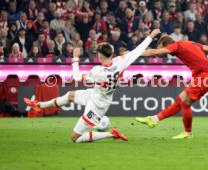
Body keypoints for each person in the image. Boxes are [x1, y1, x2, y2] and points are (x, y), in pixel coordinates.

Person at [24, 29, 161, 143]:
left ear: (100, 56)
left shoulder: (98, 71)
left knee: (75, 138)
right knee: (70, 95)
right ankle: (39, 105)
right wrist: (151, 36)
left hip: (97, 106)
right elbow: (138, 50)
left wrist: (75, 58)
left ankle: (112, 134)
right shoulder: (120, 62)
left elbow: (77, 78)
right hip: (95, 94)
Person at [136, 35, 208, 139]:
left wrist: (133, 54)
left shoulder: (176, 45)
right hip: (201, 77)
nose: (161, 50)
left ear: (166, 44)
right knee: (180, 100)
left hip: (203, 77)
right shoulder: (191, 43)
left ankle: (187, 133)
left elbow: (155, 52)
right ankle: (154, 119)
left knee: (185, 103)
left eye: (160, 46)